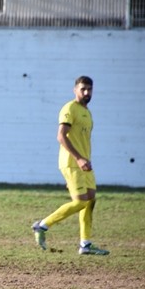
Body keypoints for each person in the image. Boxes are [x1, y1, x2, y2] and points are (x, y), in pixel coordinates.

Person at [32, 76, 109, 255]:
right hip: (72, 162)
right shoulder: (69, 108)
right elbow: (61, 136)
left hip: (84, 164)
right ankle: (42, 226)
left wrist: (85, 160)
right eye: (83, 89)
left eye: (89, 89)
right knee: (80, 202)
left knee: (90, 201)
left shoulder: (87, 112)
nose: (86, 93)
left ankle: (85, 244)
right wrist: (79, 159)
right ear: (75, 90)